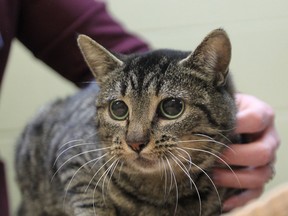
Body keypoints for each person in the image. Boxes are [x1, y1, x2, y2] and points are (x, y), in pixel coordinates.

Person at [0, 0, 280, 215]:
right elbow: (65, 153)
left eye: (170, 107)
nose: (136, 139)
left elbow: (128, 53)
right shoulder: (98, 172)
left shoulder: (220, 173)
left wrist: (244, 117)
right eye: (119, 110)